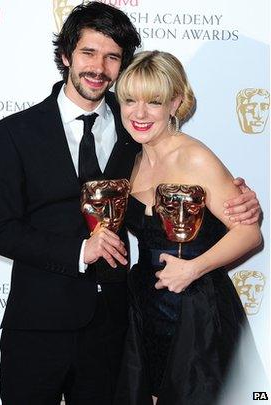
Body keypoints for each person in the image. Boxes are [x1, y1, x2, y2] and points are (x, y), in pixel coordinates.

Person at [0, 2, 259, 404]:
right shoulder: (17, 132)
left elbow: (191, 182)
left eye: (112, 57)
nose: (99, 67)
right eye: (88, 53)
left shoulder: (135, 123)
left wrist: (242, 201)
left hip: (116, 329)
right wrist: (80, 250)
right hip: (38, 326)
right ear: (65, 56)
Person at [113, 50, 264, 405]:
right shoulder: (129, 161)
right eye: (130, 100)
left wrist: (192, 270)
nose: (139, 113)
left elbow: (248, 232)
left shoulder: (195, 157)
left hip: (197, 310)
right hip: (144, 308)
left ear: (175, 103)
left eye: (154, 102)